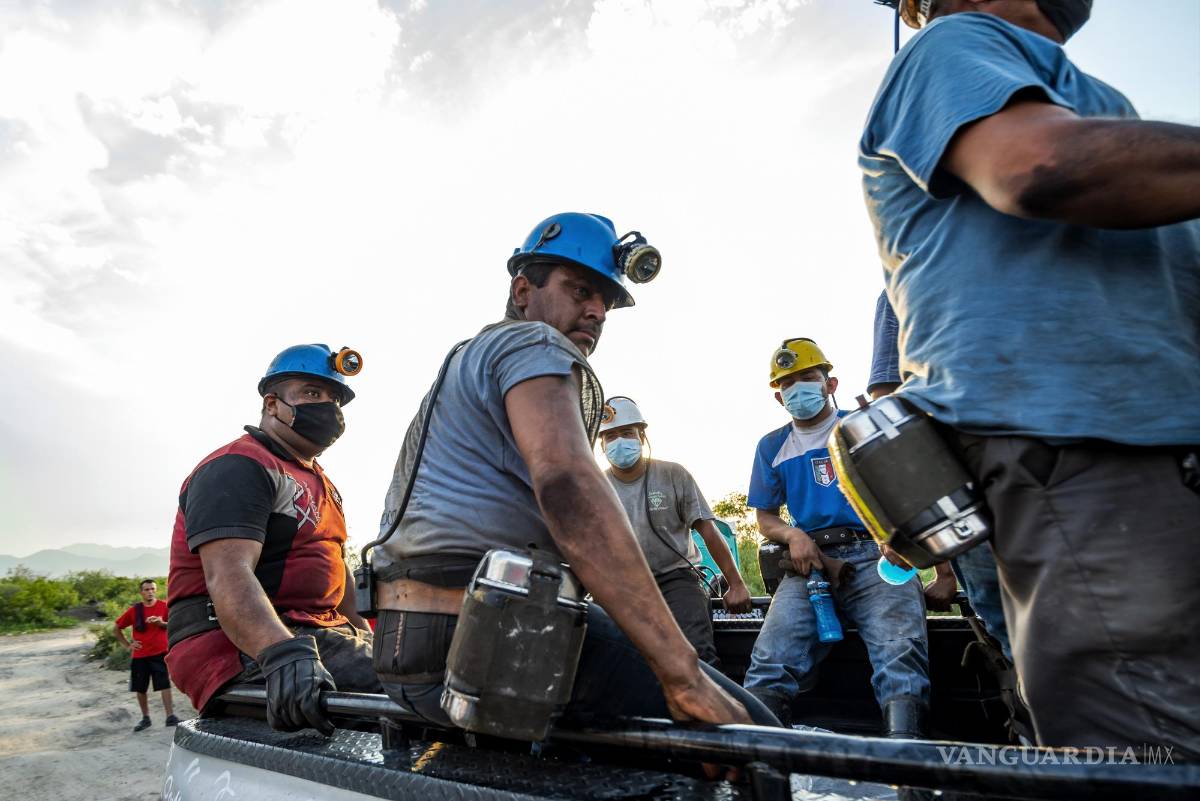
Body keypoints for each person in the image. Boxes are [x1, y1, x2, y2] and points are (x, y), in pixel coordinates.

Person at [863, 0, 1200, 755]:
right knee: (1157, 750)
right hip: (1086, 456)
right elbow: (1041, 165)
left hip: (1156, 453)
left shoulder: (1087, 99)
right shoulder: (952, 45)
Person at [370, 212, 775, 735]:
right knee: (753, 733)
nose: (597, 311)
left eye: (605, 301)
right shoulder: (534, 343)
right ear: (523, 290)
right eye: (580, 290)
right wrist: (683, 675)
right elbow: (568, 485)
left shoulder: (465, 360)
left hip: (408, 650)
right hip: (482, 638)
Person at [166, 344, 380, 736]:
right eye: (312, 394)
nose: (328, 408)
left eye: (334, 399)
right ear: (272, 404)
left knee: (425, 663)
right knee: (420, 692)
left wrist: (363, 633)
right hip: (243, 645)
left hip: (317, 634)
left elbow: (336, 567)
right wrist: (280, 653)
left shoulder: (321, 483)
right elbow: (228, 573)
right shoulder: (238, 465)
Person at [744, 338, 931, 735]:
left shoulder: (862, 426)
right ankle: (764, 766)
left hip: (877, 553)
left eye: (808, 377)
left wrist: (937, 568)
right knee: (769, 661)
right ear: (779, 398)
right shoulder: (772, 446)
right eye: (787, 384)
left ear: (831, 383)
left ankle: (907, 763)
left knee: (900, 654)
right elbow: (764, 516)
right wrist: (792, 534)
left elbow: (911, 491)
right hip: (809, 563)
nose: (798, 389)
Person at [868, 290, 1012, 663]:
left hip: (1085, 474)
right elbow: (892, 410)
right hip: (974, 497)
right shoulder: (904, 283)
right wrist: (908, 522)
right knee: (1016, 637)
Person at [598, 396, 752, 666]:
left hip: (677, 578)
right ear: (601, 443)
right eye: (610, 436)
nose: (619, 441)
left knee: (695, 653)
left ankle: (710, 705)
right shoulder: (595, 485)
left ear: (641, 436)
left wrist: (736, 584)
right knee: (610, 653)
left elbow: (708, 530)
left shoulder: (672, 474)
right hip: (624, 585)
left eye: (626, 433)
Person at [113, 579, 178, 732]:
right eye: (147, 589)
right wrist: (128, 645)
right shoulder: (135, 610)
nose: (150, 592)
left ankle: (170, 717)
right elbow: (116, 628)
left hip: (160, 653)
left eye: (152, 589)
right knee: (140, 687)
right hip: (140, 655)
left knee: (164, 685)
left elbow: (174, 624)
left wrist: (161, 623)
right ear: (141, 592)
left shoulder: (164, 606)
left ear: (156, 590)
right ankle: (145, 718)